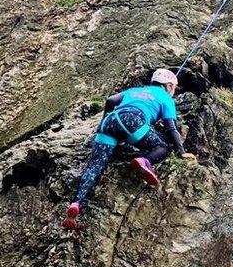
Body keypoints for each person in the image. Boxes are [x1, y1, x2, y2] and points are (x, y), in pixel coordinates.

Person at [61, 68, 191, 230]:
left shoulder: (136, 90)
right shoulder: (166, 98)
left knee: (95, 166)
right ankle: (145, 161)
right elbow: (171, 128)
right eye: (174, 88)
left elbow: (110, 101)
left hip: (109, 122)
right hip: (132, 120)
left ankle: (76, 203)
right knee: (164, 146)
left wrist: (104, 121)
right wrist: (182, 151)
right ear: (169, 86)